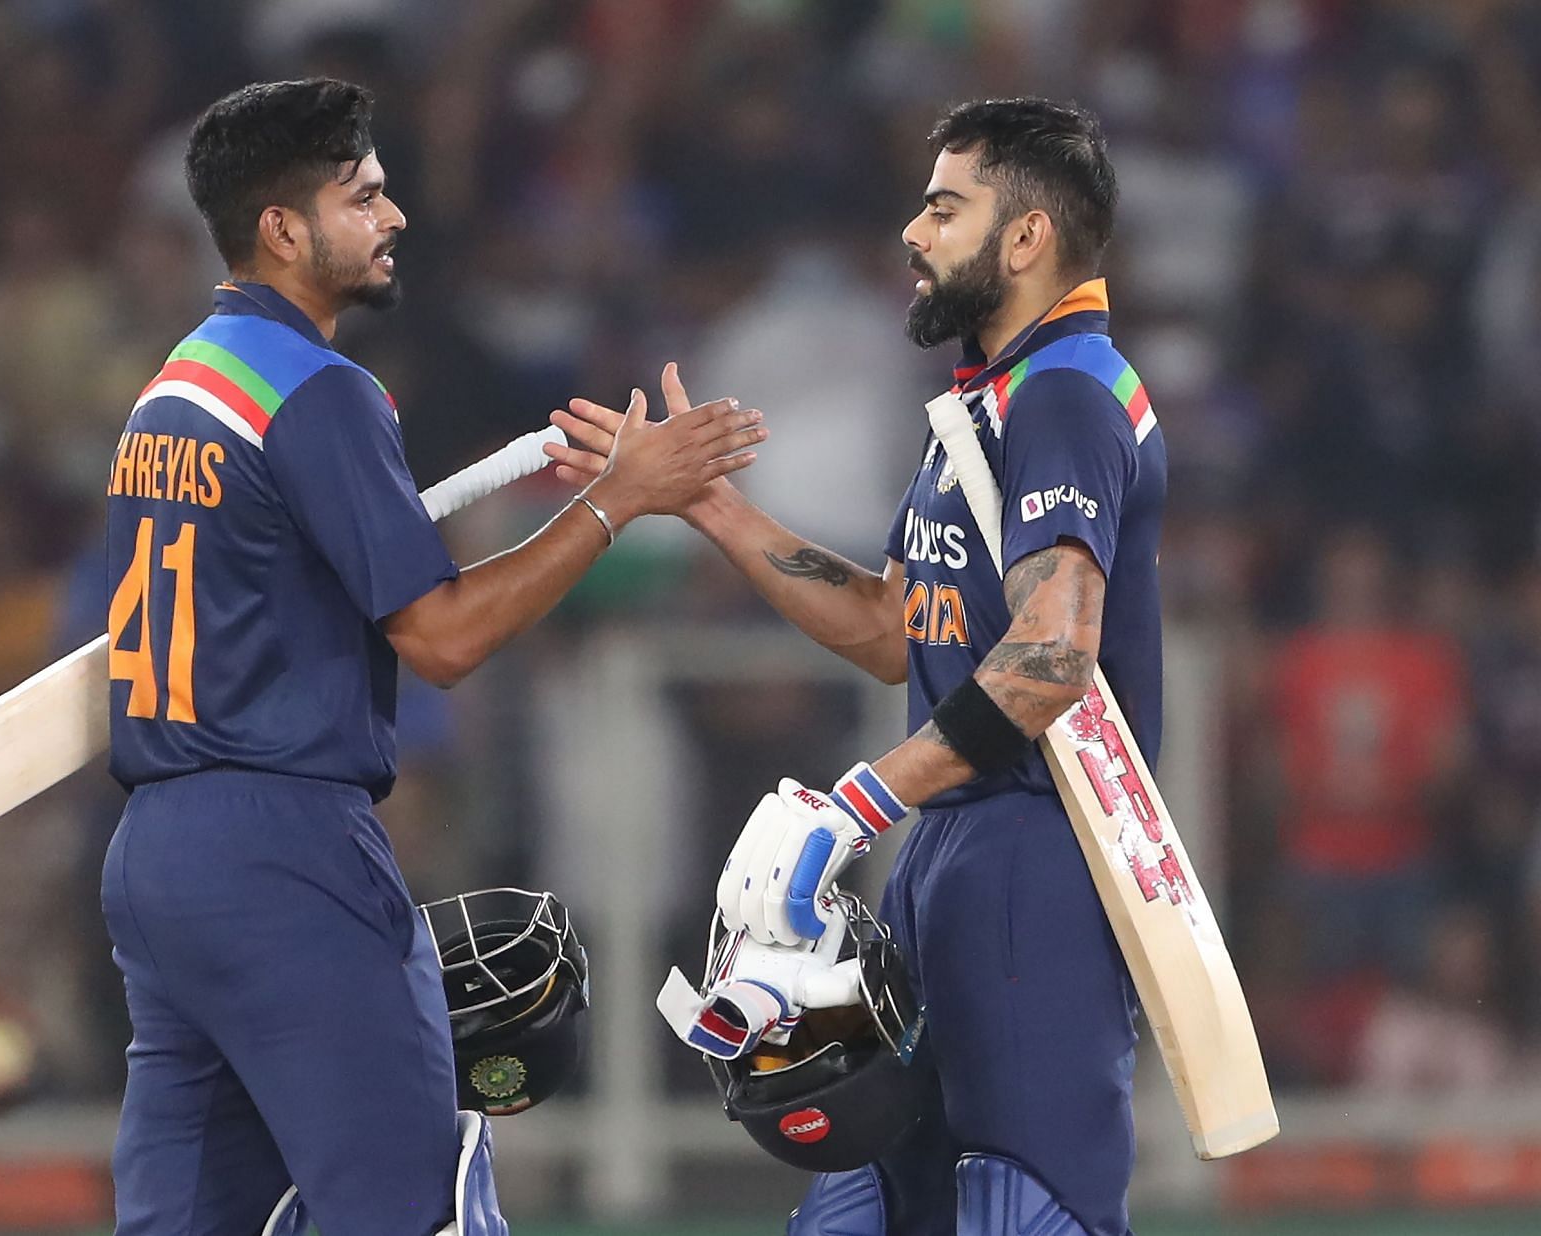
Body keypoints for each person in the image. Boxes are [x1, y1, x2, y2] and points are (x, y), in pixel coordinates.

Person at [99, 77, 764, 1236]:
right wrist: (620, 502)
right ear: (283, 228)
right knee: (418, 1208)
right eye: (362, 195)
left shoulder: (172, 393)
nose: (394, 214)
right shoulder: (317, 392)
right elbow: (446, 636)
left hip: (156, 857)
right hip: (286, 847)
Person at [553, 99, 1158, 1236]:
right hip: (951, 860)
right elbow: (897, 628)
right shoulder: (981, 403)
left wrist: (860, 800)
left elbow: (1050, 657)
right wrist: (717, 512)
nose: (912, 235)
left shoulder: (1067, 394)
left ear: (1024, 239)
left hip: (1035, 871)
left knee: (1019, 1213)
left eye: (944, 207)